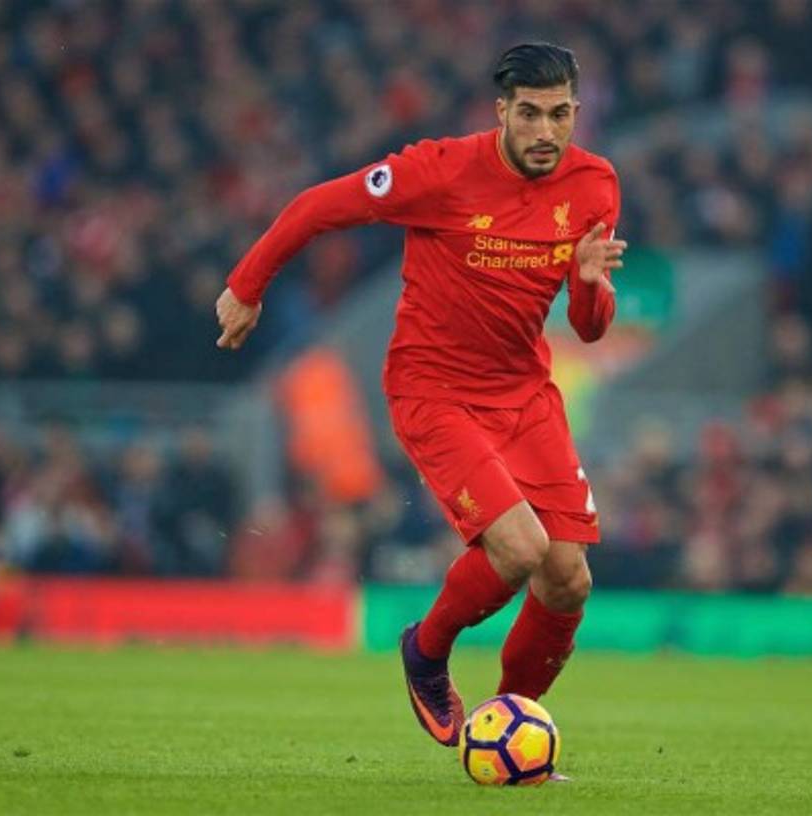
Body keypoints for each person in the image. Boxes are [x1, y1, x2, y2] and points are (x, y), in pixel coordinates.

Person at [215, 42, 625, 747]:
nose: (545, 133)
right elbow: (319, 206)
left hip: (523, 394)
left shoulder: (595, 185)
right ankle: (427, 651)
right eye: (529, 114)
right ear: (502, 112)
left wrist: (590, 281)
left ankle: (507, 733)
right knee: (522, 547)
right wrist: (246, 287)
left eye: (560, 115)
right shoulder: (440, 171)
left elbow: (588, 330)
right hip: (434, 390)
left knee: (568, 579)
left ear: (576, 114)